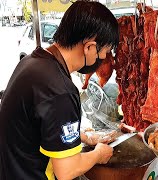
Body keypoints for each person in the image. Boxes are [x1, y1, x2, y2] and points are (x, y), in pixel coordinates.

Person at [0, 1, 119, 179]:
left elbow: (41, 124)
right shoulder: (59, 90)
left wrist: (83, 137)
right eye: (105, 51)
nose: (103, 58)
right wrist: (98, 154)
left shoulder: (34, 61)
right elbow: (66, 171)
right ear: (89, 47)